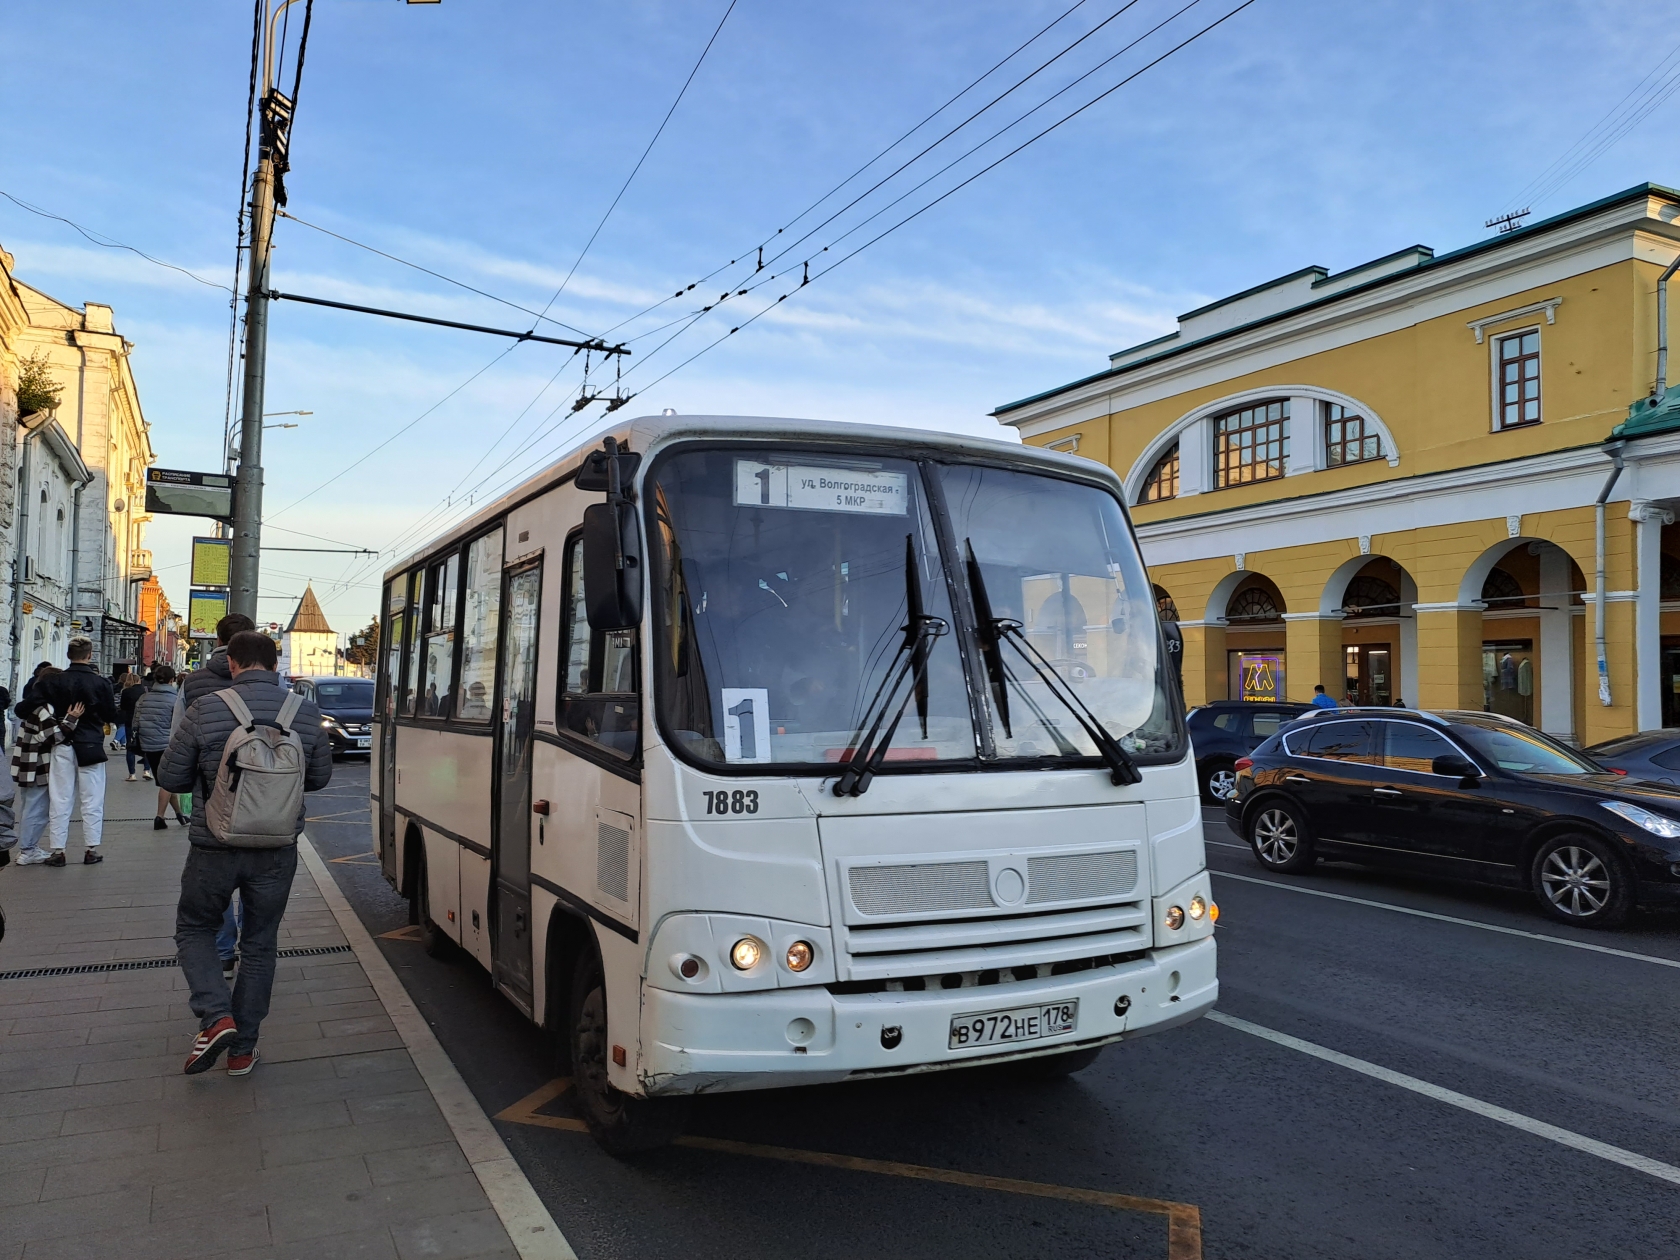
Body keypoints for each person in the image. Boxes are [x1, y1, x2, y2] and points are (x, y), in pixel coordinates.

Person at [161, 631, 332, 1075]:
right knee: (259, 943)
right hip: (277, 849)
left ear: (233, 664)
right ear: (275, 666)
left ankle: (216, 1016)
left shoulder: (206, 708)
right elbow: (318, 779)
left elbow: (172, 777)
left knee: (195, 928)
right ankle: (242, 1051)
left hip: (213, 846)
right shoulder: (307, 712)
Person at [36, 637, 121, 866]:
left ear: (67, 655)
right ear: (89, 655)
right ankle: (91, 848)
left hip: (62, 743)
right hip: (91, 745)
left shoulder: (55, 682)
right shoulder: (101, 683)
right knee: (92, 798)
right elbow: (111, 715)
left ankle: (58, 850)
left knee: (60, 797)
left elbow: (35, 702)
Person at [9, 678, 83, 866]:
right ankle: (28, 850)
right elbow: (54, 737)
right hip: (38, 766)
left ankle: (28, 848)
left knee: (29, 807)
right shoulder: (44, 710)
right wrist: (71, 719)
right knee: (37, 810)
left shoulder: (29, 708)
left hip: (26, 764)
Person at [132, 665, 187, 830]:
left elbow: (135, 723)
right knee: (167, 783)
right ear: (172, 680)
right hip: (168, 745)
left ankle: (179, 814)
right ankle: (160, 817)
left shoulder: (144, 698)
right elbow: (180, 724)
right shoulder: (175, 700)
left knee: (165, 781)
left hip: (148, 745)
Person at [118, 671, 148, 781]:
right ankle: (147, 771)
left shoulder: (126, 692)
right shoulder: (145, 691)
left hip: (130, 721)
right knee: (145, 746)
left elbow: (123, 707)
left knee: (130, 747)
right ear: (139, 680)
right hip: (144, 722)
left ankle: (132, 774)